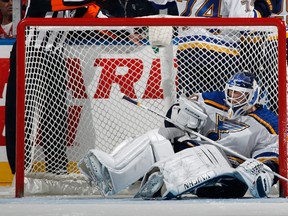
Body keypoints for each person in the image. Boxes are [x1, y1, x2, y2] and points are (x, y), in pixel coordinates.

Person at [78, 71, 279, 199]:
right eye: (231, 92)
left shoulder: (268, 121)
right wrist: (178, 116)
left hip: (226, 170)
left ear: (253, 94)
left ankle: (164, 182)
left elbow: (271, 154)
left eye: (240, 94)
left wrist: (260, 170)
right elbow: (176, 113)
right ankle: (113, 171)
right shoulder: (211, 99)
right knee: (160, 136)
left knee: (228, 184)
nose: (233, 98)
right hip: (197, 152)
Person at [5, 0, 109, 175]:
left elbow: (96, 16)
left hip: (55, 56)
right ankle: (19, 170)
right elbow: (55, 4)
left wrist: (130, 31)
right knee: (22, 114)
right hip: (28, 52)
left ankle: (57, 168)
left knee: (56, 113)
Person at [146, 0, 279, 97]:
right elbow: (243, 21)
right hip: (221, 50)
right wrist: (263, 8)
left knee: (191, 104)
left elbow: (158, 2)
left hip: (188, 47)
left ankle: (192, 135)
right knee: (220, 105)